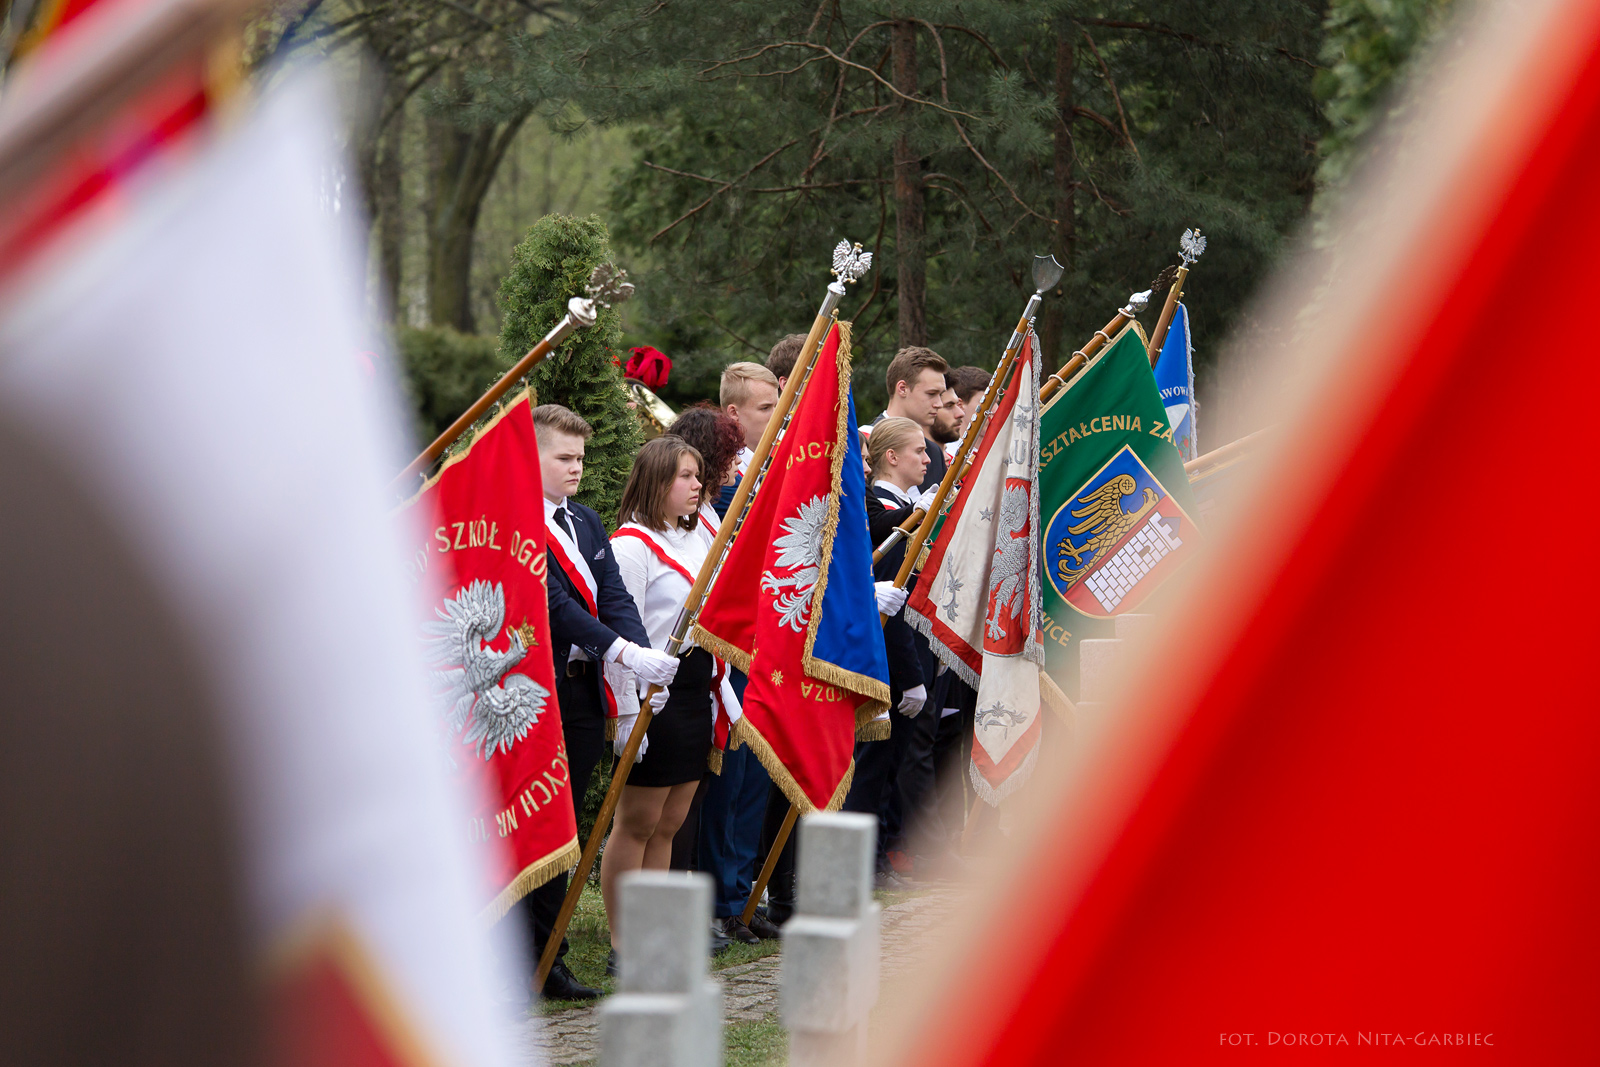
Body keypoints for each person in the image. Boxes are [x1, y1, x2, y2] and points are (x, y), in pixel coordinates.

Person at [521, 404, 678, 1002]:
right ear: (529, 456)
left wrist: (639, 667)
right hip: (532, 691)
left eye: (581, 457)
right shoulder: (516, 522)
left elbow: (613, 598)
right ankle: (512, 959)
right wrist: (626, 652)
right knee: (531, 822)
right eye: (563, 457)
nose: (577, 468)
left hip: (582, 694)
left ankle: (548, 956)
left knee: (563, 826)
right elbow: (557, 606)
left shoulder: (584, 521)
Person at [605, 436, 740, 972]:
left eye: (697, 475)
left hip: (696, 688)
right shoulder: (630, 546)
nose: (696, 485)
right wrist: (623, 711)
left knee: (670, 821)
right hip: (650, 694)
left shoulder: (700, 536)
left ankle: (655, 931)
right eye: (684, 476)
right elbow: (622, 633)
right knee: (637, 821)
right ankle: (622, 941)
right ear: (657, 480)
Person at [665, 405, 782, 944]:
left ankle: (737, 898)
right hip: (712, 666)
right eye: (731, 453)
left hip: (747, 657)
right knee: (723, 783)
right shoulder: (699, 518)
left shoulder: (724, 510)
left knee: (749, 781)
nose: (741, 462)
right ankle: (716, 899)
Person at [843, 417, 933, 885]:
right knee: (872, 766)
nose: (927, 458)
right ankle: (863, 863)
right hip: (888, 654)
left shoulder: (905, 505)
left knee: (891, 765)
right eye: (918, 451)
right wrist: (911, 673)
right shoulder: (878, 506)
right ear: (891, 457)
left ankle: (877, 858)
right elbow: (881, 531)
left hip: (914, 650)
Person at [868, 346, 949, 492]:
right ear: (902, 388)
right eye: (931, 393)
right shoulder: (864, 445)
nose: (939, 404)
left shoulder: (934, 453)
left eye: (940, 395)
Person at [717, 361, 781, 515]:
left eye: (777, 407)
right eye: (765, 408)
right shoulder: (723, 475)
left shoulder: (788, 447)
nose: (777, 416)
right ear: (733, 413)